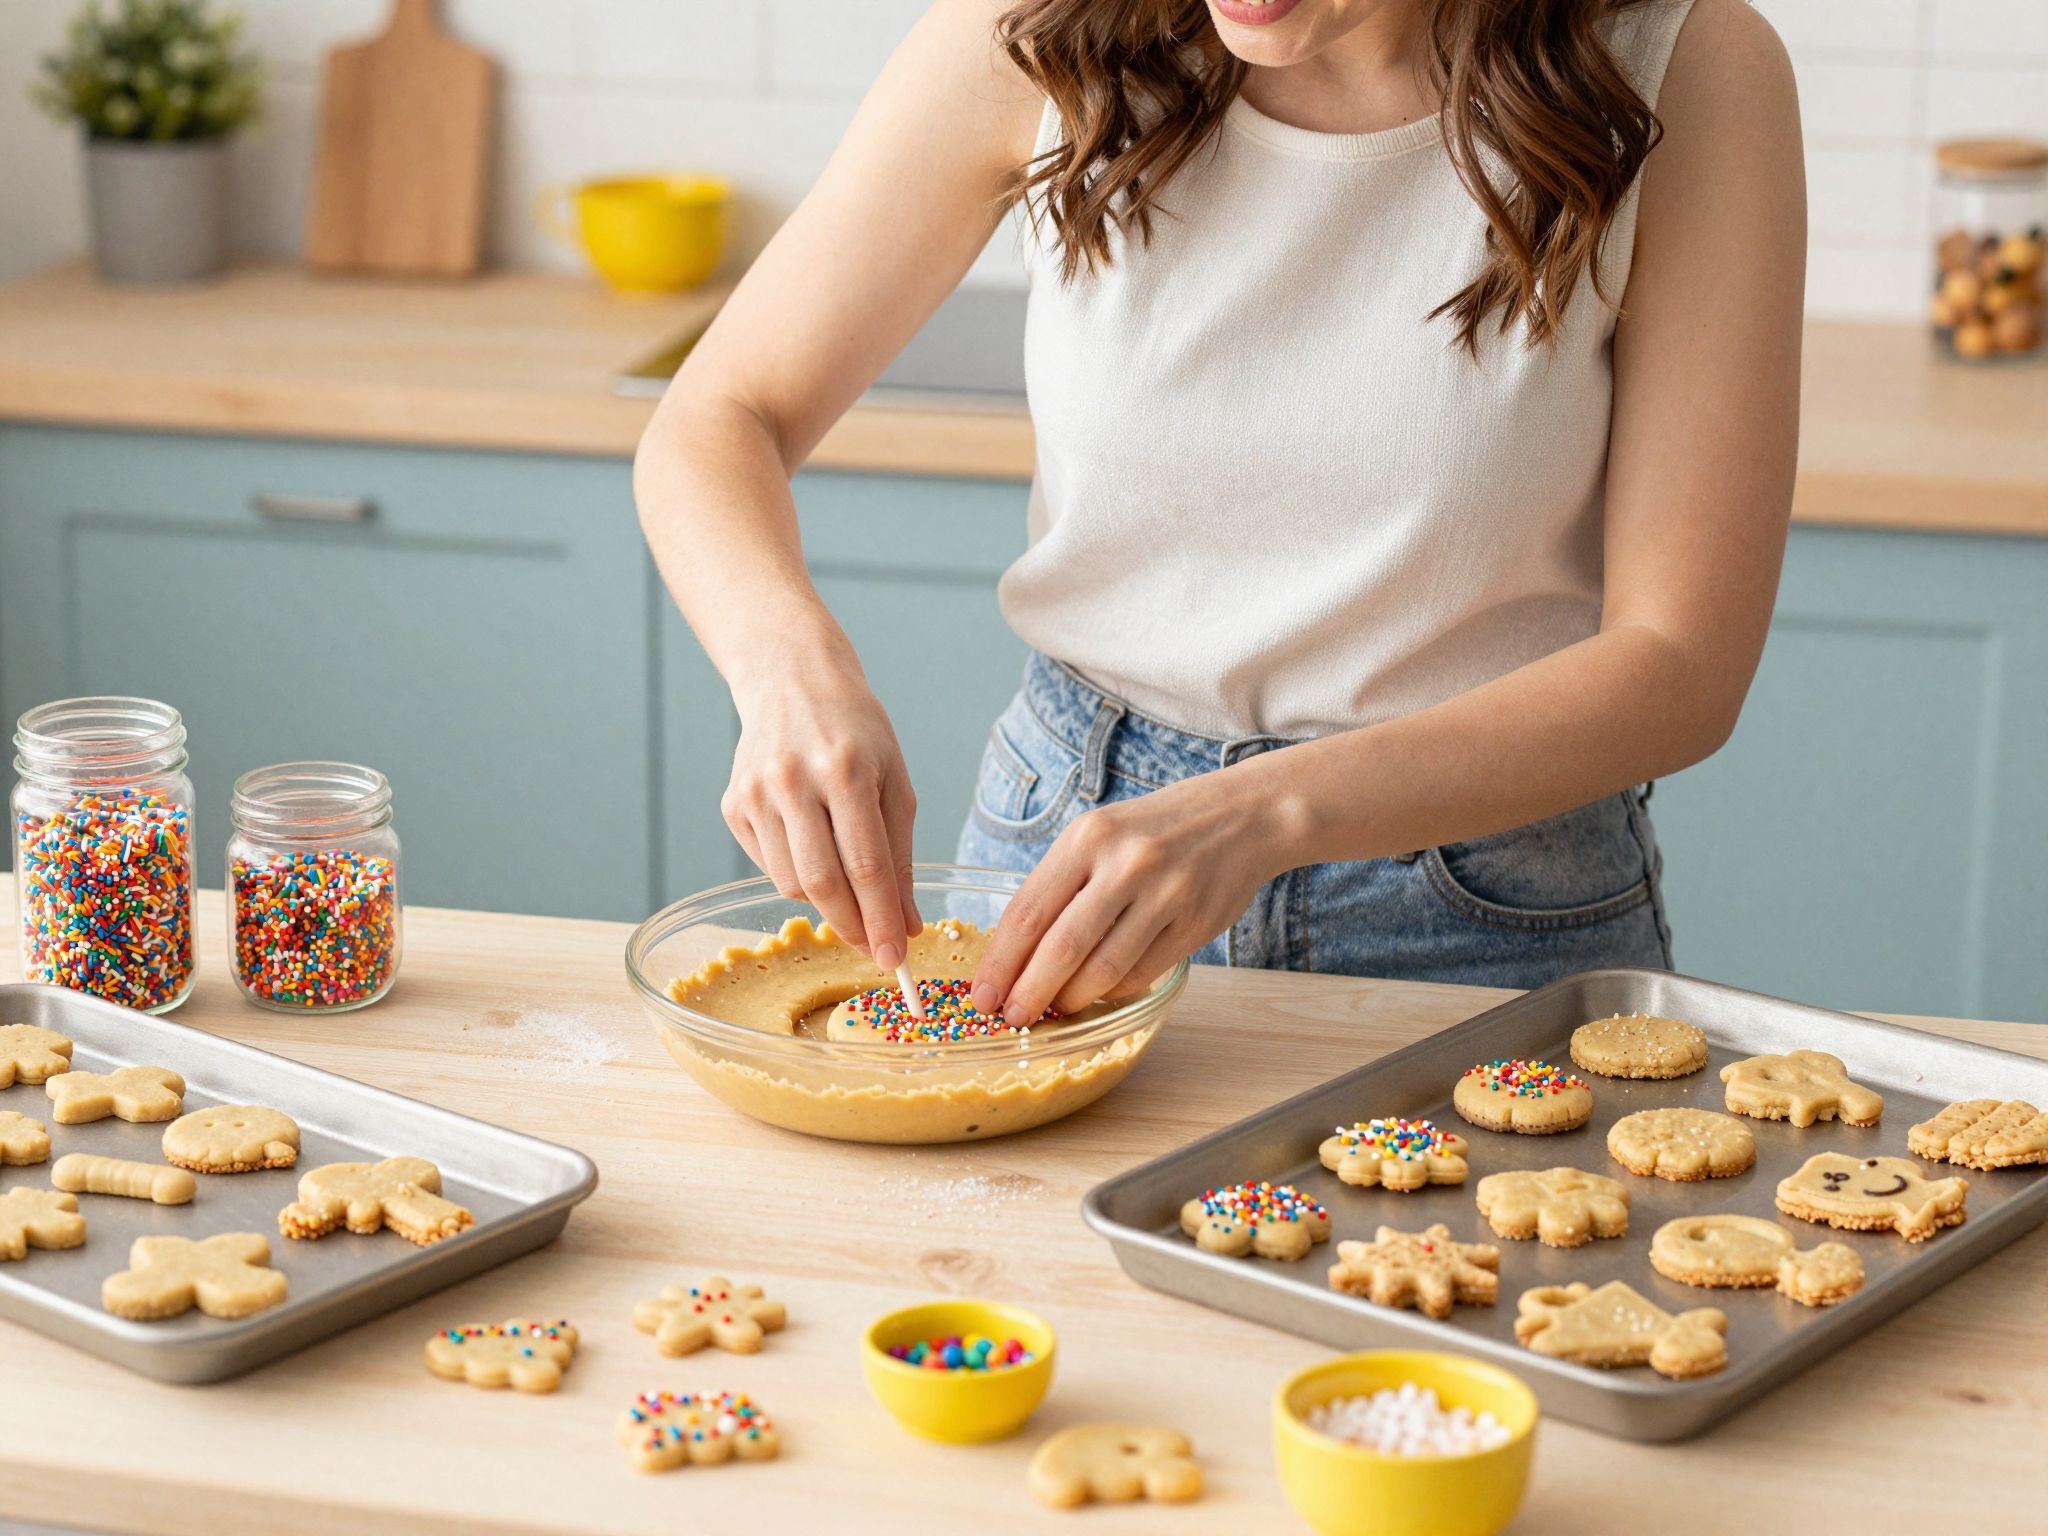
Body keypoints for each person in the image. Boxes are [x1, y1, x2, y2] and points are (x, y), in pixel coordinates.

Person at [635, 0, 1804, 1027]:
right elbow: (719, 415)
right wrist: (788, 676)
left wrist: (1259, 815)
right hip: (1065, 846)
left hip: (1484, 905)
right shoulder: (1030, 31)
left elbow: (1679, 663)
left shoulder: (1682, 67)